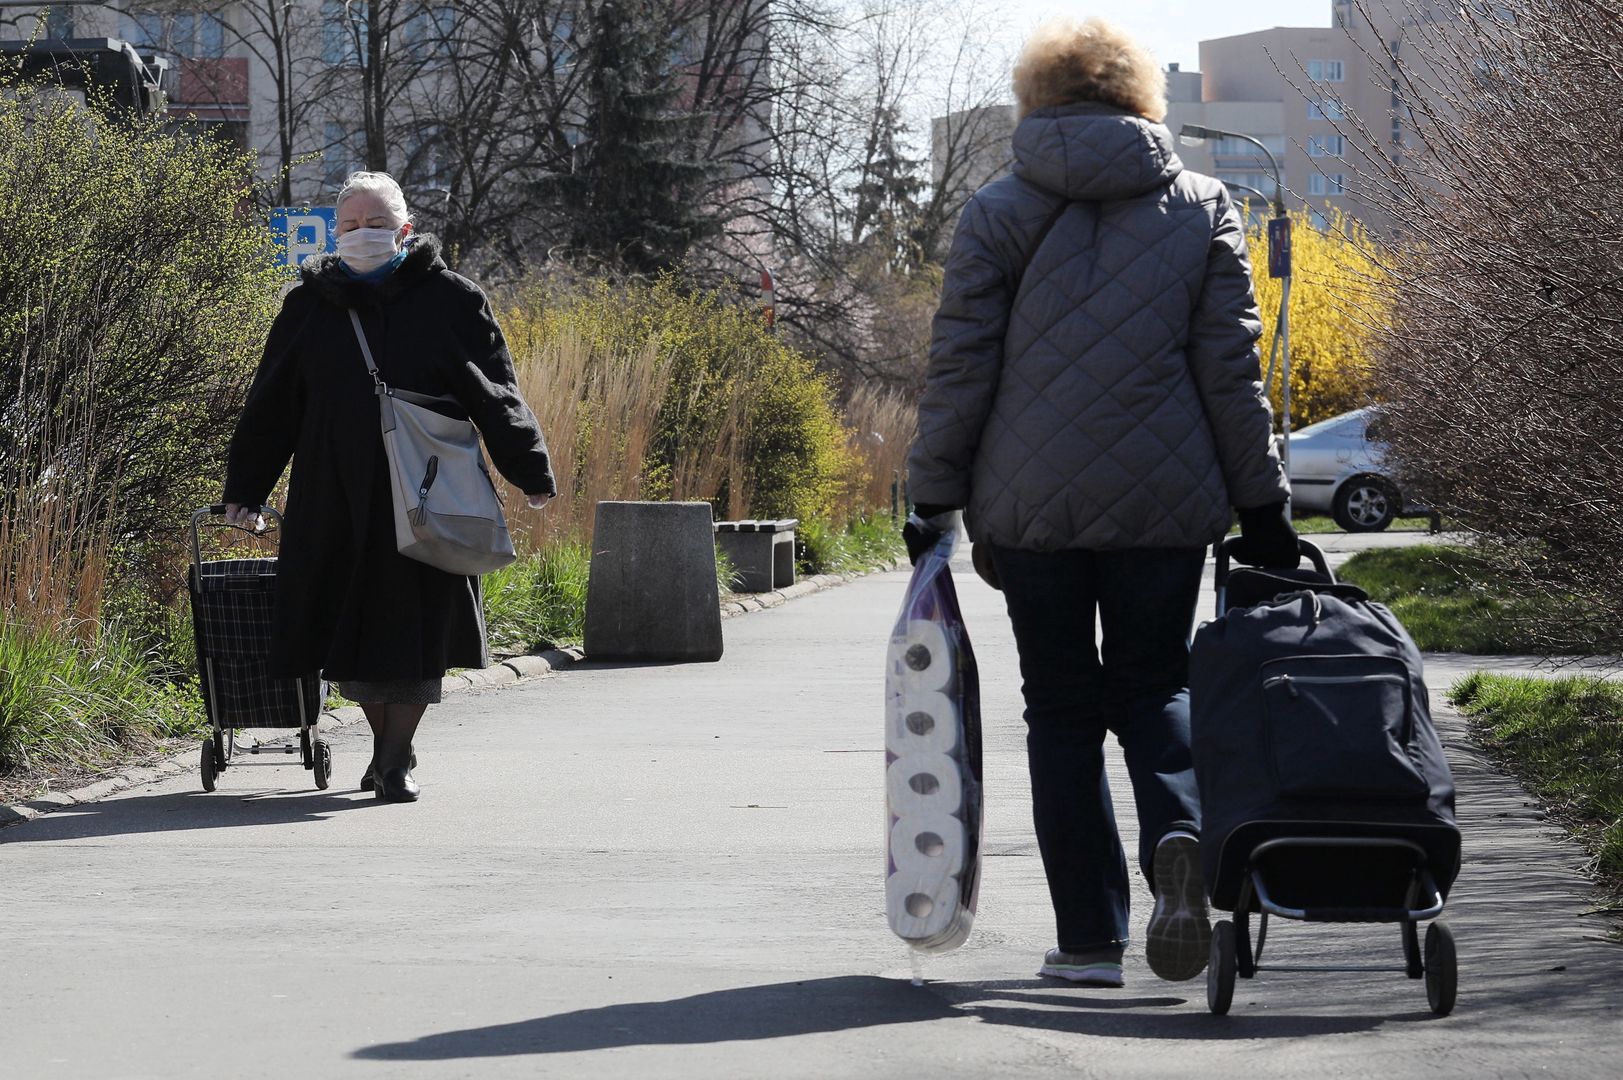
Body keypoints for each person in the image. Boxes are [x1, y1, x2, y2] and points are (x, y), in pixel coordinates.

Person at [904, 17, 1299, 986]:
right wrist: (1266, 509)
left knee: (1062, 714)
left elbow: (960, 368)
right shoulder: (1204, 206)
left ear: (1036, 99)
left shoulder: (995, 210)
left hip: (1029, 506)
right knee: (1157, 690)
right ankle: (1178, 839)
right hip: (1167, 502)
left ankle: (1088, 943)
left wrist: (933, 499)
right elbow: (1232, 376)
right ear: (1141, 99)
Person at [223, 171, 556, 803]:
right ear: (333, 233)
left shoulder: (451, 299)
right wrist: (245, 489)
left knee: (419, 629)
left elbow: (494, 391)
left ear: (405, 230)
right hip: (332, 494)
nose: (362, 236)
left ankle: (394, 758)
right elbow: (272, 406)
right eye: (349, 226)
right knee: (350, 629)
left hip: (427, 493)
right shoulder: (308, 306)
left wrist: (528, 469)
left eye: (375, 225)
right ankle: (388, 751)